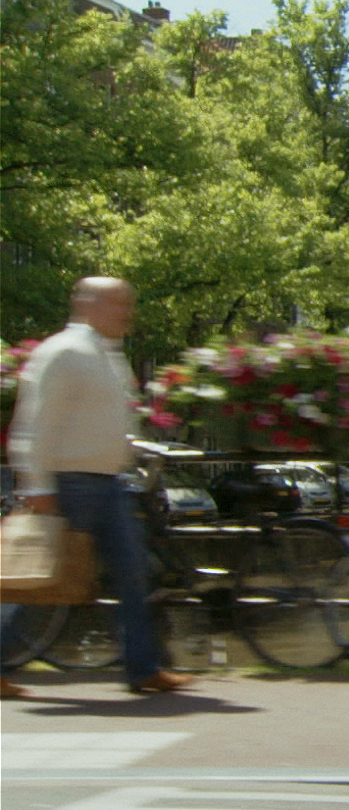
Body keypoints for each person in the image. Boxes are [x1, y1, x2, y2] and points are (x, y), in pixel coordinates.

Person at [3, 277, 194, 698]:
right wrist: (36, 485)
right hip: (70, 482)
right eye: (117, 304)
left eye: (129, 303)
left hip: (105, 482)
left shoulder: (107, 355)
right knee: (40, 578)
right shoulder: (63, 352)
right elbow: (34, 422)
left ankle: (143, 668)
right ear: (87, 304)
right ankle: (142, 668)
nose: (127, 312)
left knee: (130, 572)